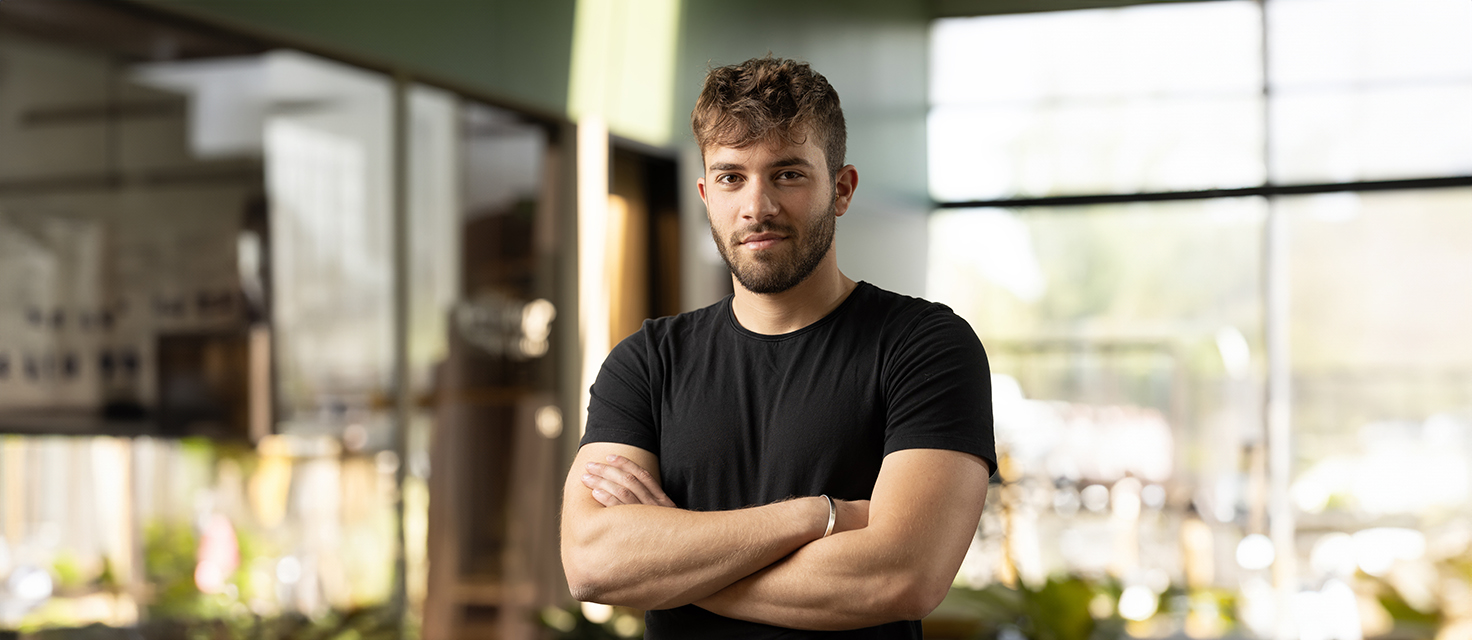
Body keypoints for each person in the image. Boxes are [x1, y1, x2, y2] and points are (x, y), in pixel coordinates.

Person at [560, 56, 996, 638]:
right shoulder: (647, 362)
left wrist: (673, 562)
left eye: (787, 174)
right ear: (705, 193)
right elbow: (592, 563)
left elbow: (900, 577)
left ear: (840, 189)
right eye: (731, 176)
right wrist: (818, 515)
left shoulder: (925, 347)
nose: (756, 206)